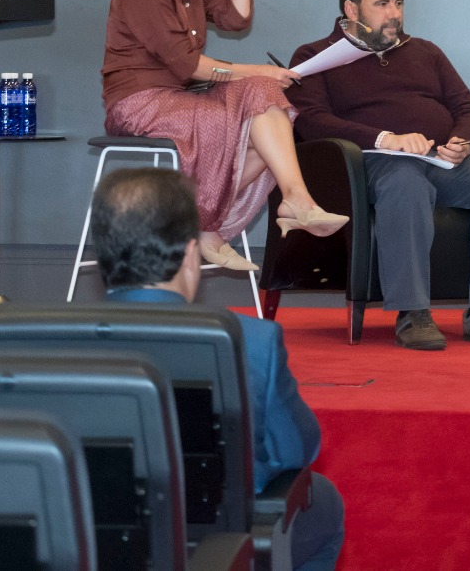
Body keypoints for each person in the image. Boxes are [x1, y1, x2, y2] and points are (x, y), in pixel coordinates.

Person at [92, 167, 345, 571]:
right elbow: (297, 449)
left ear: (103, 254)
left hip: (88, 542)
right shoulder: (250, 340)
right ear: (191, 255)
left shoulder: (35, 340)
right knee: (324, 501)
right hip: (211, 546)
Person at [101, 0, 347, 273]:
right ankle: (209, 229)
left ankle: (296, 198)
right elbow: (187, 64)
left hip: (182, 97)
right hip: (138, 102)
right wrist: (257, 69)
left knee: (266, 101)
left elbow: (237, 17)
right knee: (238, 116)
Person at [289, 0, 470, 351]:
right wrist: (386, 139)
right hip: (370, 166)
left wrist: (461, 141)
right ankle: (412, 312)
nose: (395, 13)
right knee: (404, 178)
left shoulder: (424, 51)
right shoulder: (317, 56)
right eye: (382, 4)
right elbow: (313, 122)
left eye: (399, 2)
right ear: (352, 10)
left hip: (440, 161)